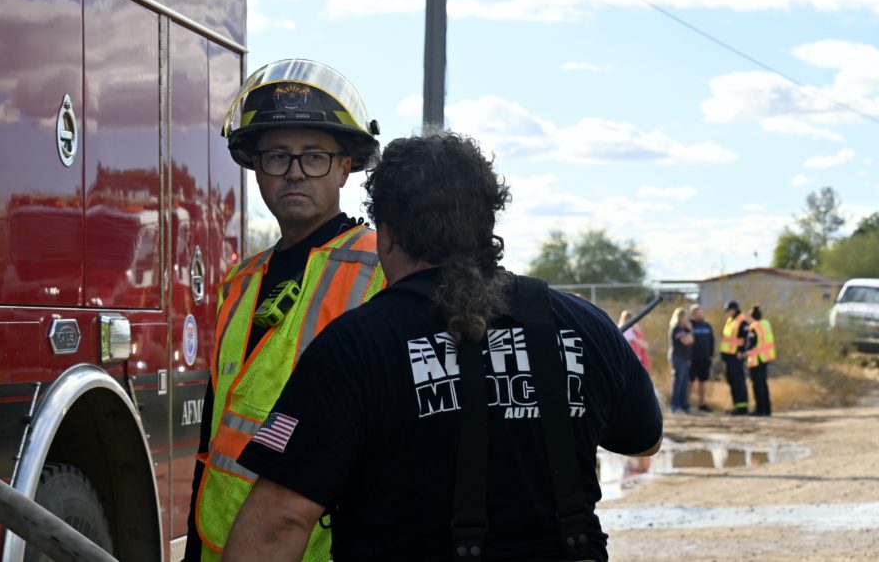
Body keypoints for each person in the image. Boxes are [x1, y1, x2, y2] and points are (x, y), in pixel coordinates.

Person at [221, 132, 662, 562]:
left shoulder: (354, 346)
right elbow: (645, 441)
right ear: (486, 223)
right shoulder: (585, 325)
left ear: (387, 234)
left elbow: (280, 522)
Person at [184, 59, 385, 561]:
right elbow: (215, 431)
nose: (294, 172)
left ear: (345, 167)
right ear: (256, 169)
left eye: (314, 156)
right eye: (277, 157)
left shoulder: (382, 270)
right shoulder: (240, 281)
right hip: (222, 544)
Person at [720, 300, 750, 415]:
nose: (728, 313)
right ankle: (736, 406)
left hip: (736, 357)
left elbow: (746, 339)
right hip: (729, 357)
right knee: (732, 380)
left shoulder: (742, 322)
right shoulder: (730, 321)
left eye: (729, 310)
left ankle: (742, 407)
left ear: (735, 310)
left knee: (738, 381)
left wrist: (741, 351)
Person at [746, 305, 776, 416]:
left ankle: (760, 409)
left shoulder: (754, 327)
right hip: (765, 358)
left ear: (751, 317)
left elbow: (751, 344)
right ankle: (767, 409)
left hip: (756, 359)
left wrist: (744, 353)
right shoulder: (766, 324)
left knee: (757, 385)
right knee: (764, 384)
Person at [688, 304, 715, 412]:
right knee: (690, 381)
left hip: (705, 358)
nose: (699, 314)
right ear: (692, 314)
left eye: (700, 312)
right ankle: (687, 403)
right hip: (693, 359)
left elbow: (712, 341)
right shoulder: (689, 325)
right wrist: (688, 357)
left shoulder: (707, 325)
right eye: (696, 312)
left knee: (702, 381)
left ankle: (702, 403)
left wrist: (711, 355)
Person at [667, 307, 694, 413]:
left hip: (685, 358)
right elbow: (686, 341)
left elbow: (692, 340)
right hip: (677, 357)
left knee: (684, 382)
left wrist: (689, 332)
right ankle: (675, 406)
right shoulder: (676, 329)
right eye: (686, 316)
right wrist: (690, 331)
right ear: (681, 317)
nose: (688, 319)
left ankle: (684, 405)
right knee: (678, 381)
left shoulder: (684, 329)